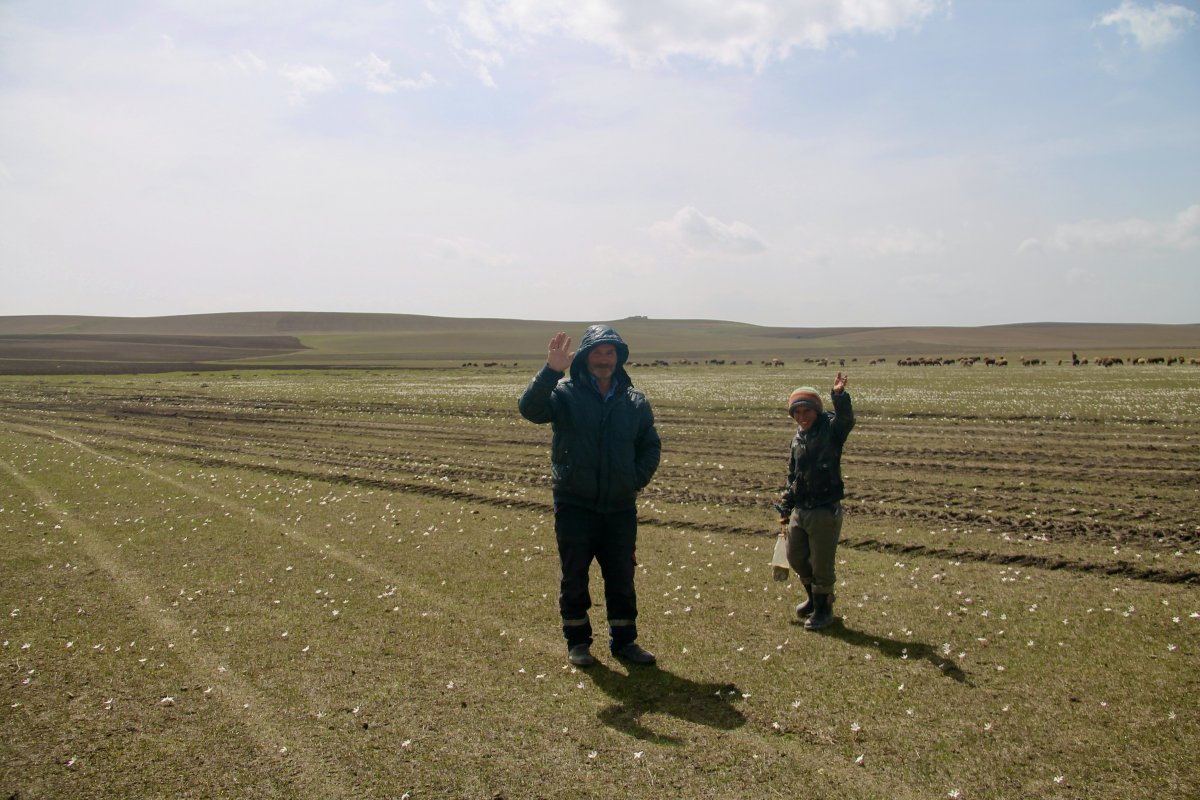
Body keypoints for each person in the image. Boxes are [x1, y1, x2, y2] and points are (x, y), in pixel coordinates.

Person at [518, 325, 662, 667]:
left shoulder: (634, 400)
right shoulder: (565, 394)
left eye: (610, 352)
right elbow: (530, 409)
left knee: (621, 577)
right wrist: (551, 370)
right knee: (574, 575)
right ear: (584, 357)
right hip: (575, 503)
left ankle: (625, 642)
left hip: (619, 507)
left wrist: (633, 480)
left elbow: (650, 444)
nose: (603, 358)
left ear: (619, 358)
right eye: (597, 352)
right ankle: (578, 642)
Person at [778, 373, 855, 631]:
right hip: (801, 508)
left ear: (817, 410)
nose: (802, 416)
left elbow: (846, 420)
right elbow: (793, 474)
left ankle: (824, 611)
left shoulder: (831, 430)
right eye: (797, 412)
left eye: (807, 410)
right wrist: (786, 502)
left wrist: (839, 396)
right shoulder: (797, 438)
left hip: (824, 508)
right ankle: (813, 599)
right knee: (796, 557)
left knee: (822, 563)